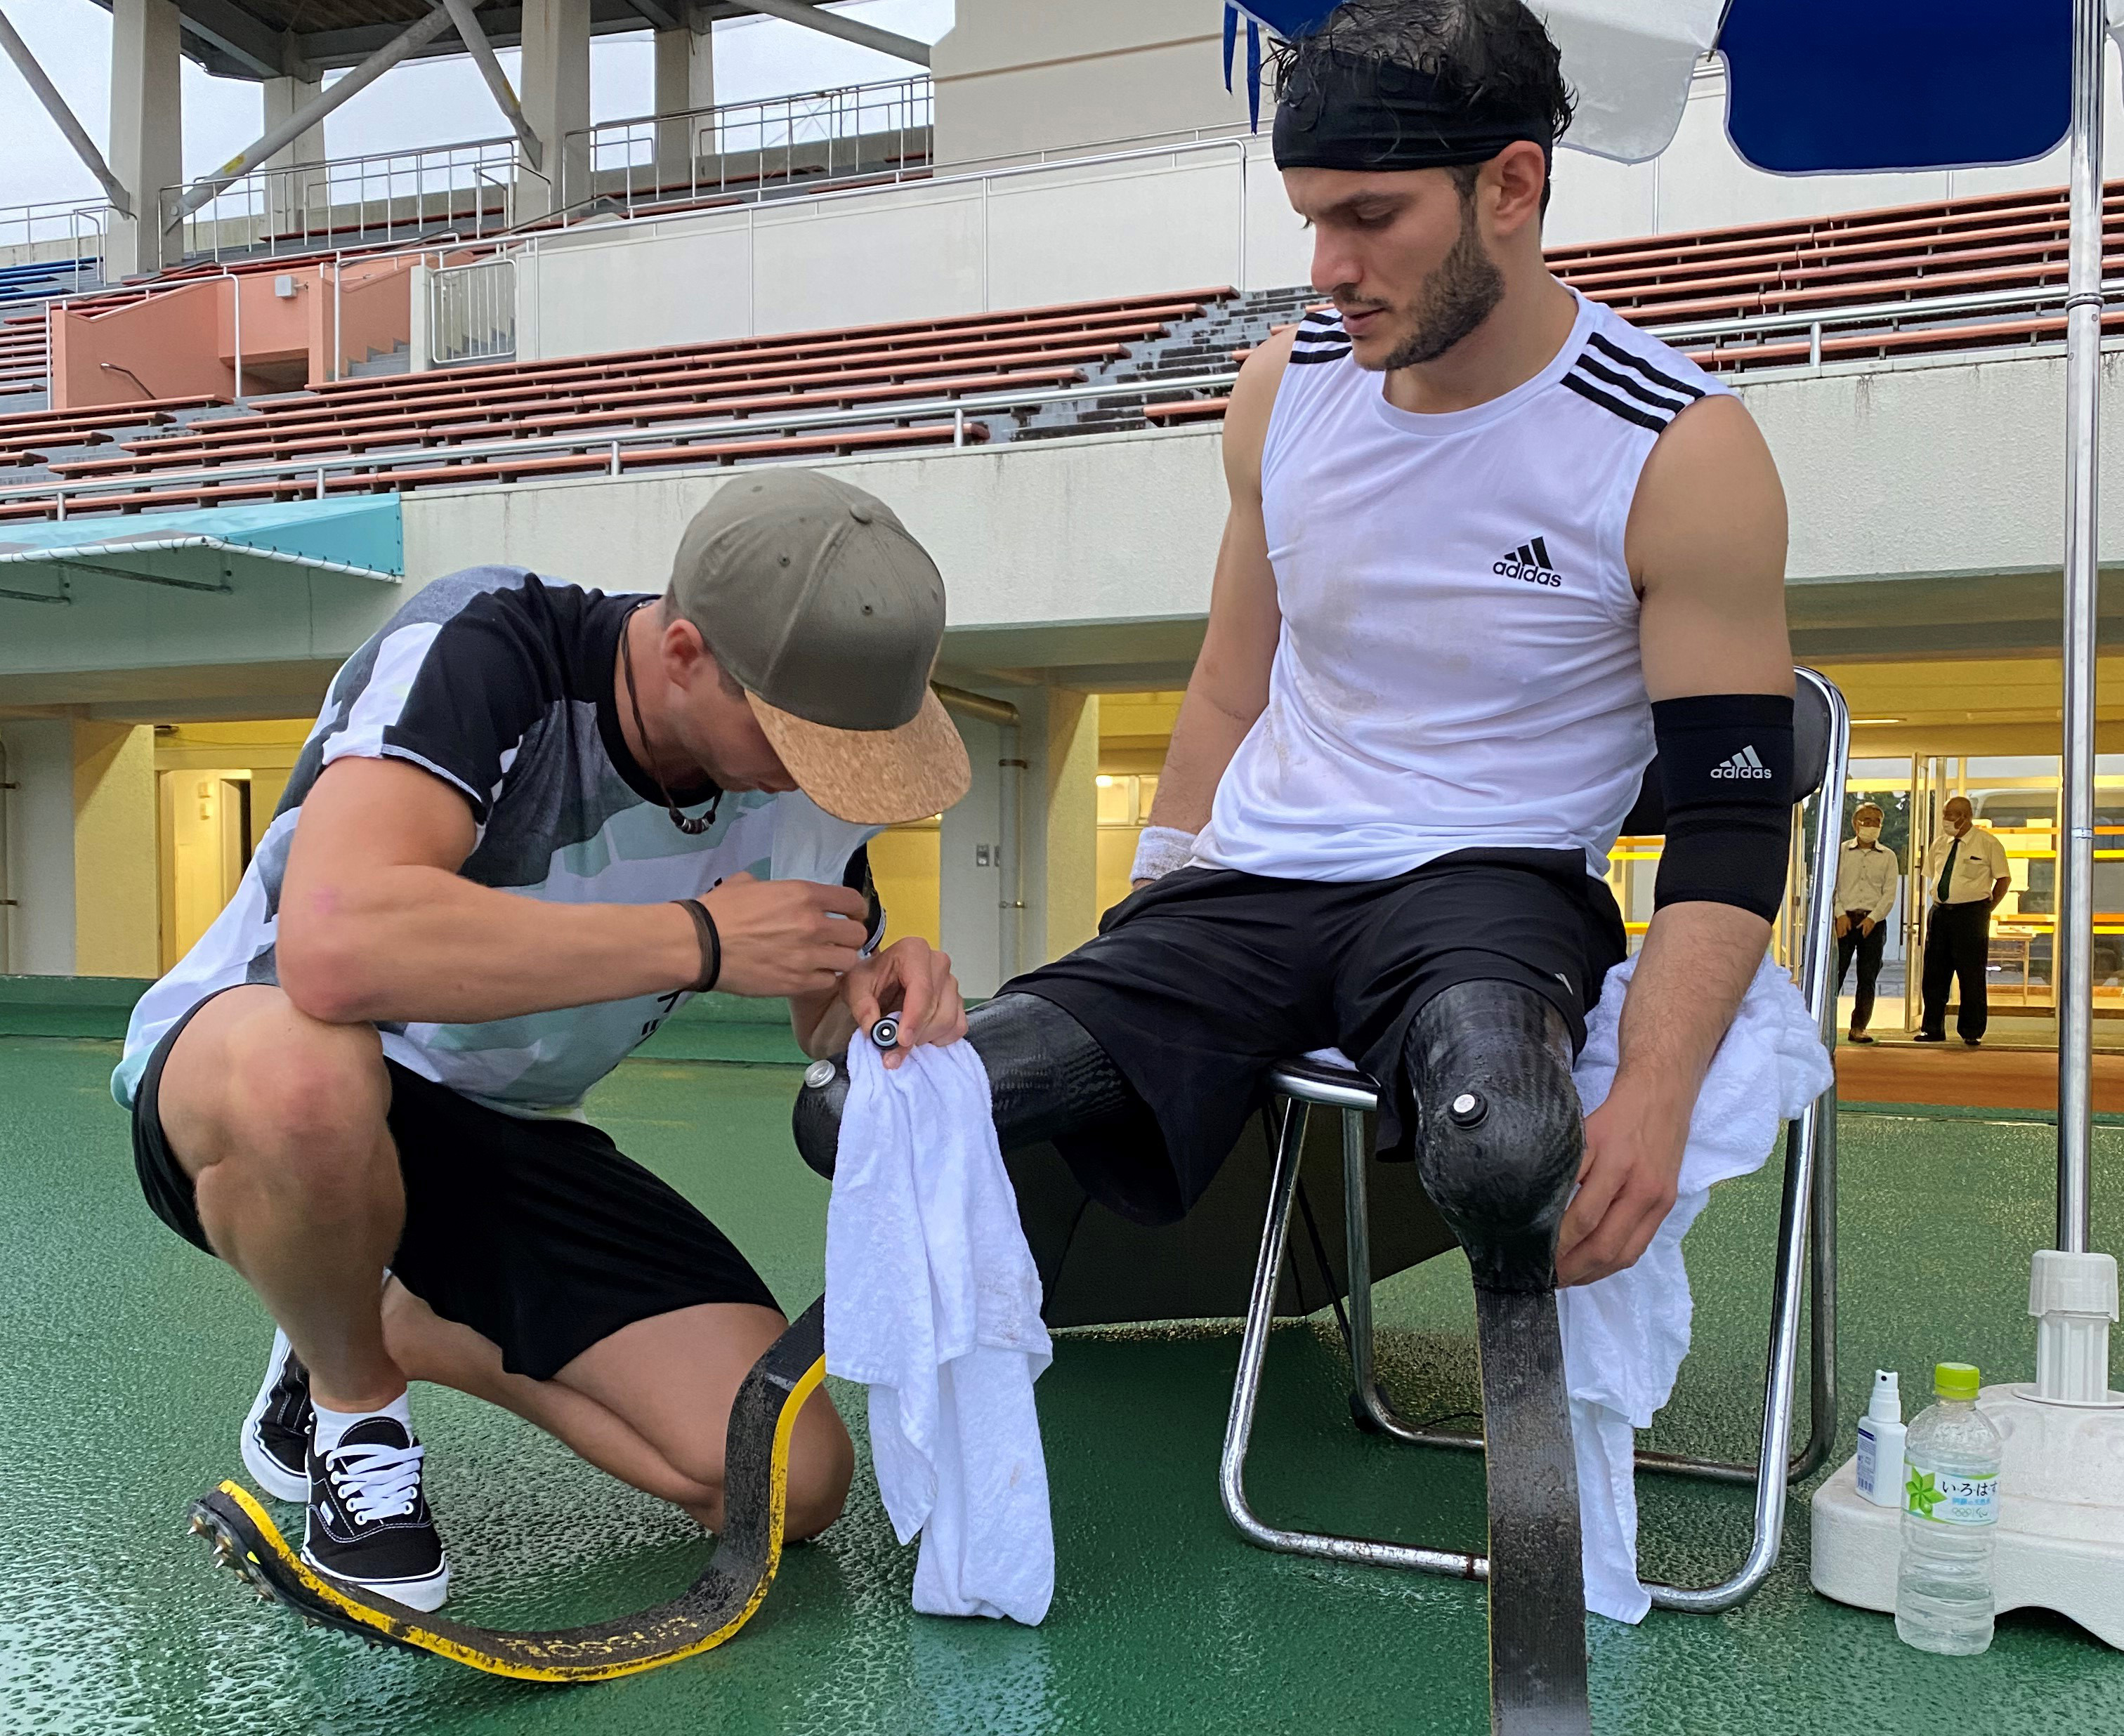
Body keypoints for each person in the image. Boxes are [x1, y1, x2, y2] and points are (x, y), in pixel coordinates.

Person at [804, 0, 1794, 1336]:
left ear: (1511, 184)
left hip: (1486, 887)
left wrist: (1656, 1092)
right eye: (1309, 219)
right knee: (863, 1102)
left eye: (1369, 217)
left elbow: (1731, 825)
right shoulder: (1281, 387)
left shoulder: (1677, 447)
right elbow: (1228, 686)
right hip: (1251, 889)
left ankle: (1531, 1479)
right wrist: (1148, 909)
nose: (1327, 265)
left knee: (1502, 1147)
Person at [114, 470, 972, 1610]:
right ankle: (353, 1406)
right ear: (681, 656)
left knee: (787, 1480)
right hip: (255, 1065)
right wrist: (694, 941)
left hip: (499, 1134)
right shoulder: (485, 651)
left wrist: (876, 996)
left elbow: (816, 1003)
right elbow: (332, 948)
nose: (821, 779)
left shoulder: (806, 774)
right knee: (305, 1075)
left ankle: (372, 1308)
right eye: (800, 739)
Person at [1916, 794, 2012, 1047]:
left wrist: (1987, 909)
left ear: (1966, 816)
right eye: (1945, 814)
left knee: (1971, 974)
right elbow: (1932, 876)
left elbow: (2003, 880)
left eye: (1951, 815)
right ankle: (1932, 1028)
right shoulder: (1939, 844)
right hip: (1940, 913)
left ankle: (1971, 1030)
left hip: (1972, 914)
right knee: (1934, 973)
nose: (1946, 820)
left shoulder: (1987, 843)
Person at [1833, 803, 1899, 1044]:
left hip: (1874, 922)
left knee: (1868, 977)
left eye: (1876, 822)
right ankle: (1823, 1025)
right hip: (1844, 921)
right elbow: (1832, 887)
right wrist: (1839, 914)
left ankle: (1859, 1027)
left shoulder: (1889, 857)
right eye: (1866, 820)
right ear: (1855, 824)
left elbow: (1889, 893)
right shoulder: (1840, 852)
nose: (1871, 826)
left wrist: (1873, 918)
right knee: (1835, 975)